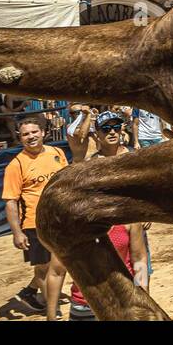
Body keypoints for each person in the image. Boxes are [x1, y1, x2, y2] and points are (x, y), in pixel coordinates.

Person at [65, 108, 150, 319]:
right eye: (106, 128)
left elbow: (147, 187)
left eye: (116, 126)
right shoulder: (93, 163)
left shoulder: (133, 156)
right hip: (106, 222)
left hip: (131, 222)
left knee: (139, 267)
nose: (112, 132)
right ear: (97, 134)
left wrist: (145, 211)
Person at [2, 115, 69, 320]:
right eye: (25, 134)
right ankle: (52, 310)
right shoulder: (16, 165)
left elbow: (67, 183)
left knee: (60, 265)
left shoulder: (57, 153)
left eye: (34, 132)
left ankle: (29, 293)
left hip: (61, 220)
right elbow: (10, 201)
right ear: (19, 138)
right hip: (34, 223)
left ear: (43, 133)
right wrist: (17, 233)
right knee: (43, 268)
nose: (31, 137)